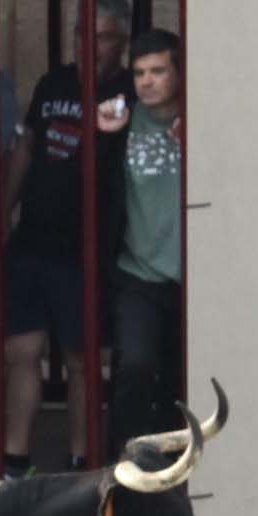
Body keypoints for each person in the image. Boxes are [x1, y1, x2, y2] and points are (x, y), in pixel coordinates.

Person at [1, 0, 137, 476]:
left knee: (82, 360)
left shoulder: (129, 92)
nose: (89, 45)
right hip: (32, 237)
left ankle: (82, 461)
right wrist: (2, 210)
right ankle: (15, 460)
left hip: (87, 247)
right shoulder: (52, 81)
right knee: (21, 351)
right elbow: (27, 147)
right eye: (83, 33)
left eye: (101, 37)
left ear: (122, 42)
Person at [103, 30, 189, 447]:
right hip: (137, 274)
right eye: (139, 72)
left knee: (183, 379)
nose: (147, 81)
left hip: (195, 275)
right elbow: (86, 190)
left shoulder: (201, 118)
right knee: (134, 367)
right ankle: (123, 469)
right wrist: (102, 138)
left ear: (179, 73)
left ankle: (174, 473)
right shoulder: (121, 119)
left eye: (158, 71)